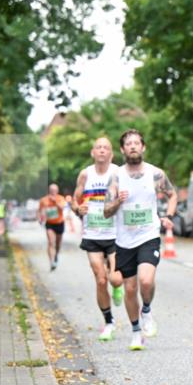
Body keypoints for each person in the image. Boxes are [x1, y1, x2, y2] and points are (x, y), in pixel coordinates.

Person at [103, 129, 177, 351]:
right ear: (123, 150)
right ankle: (136, 332)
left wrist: (168, 217)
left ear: (143, 147)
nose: (133, 146)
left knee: (146, 281)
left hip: (149, 235)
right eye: (128, 144)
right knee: (129, 288)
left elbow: (172, 194)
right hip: (125, 240)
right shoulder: (116, 177)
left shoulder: (155, 174)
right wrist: (117, 202)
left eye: (137, 143)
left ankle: (147, 309)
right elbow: (106, 211)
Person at [74, 137, 125, 342]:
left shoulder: (118, 173)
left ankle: (118, 287)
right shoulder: (85, 174)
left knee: (115, 278)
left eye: (106, 148)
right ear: (92, 152)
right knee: (100, 278)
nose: (102, 150)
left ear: (111, 154)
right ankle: (109, 321)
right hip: (93, 233)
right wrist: (78, 208)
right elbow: (76, 200)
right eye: (98, 147)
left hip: (114, 234)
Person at [38, 185, 67, 270]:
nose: (53, 191)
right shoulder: (44, 200)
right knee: (51, 242)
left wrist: (55, 202)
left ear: (57, 191)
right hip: (49, 224)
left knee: (58, 244)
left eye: (54, 190)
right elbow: (40, 210)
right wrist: (40, 218)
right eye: (51, 190)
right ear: (49, 190)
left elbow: (62, 208)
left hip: (60, 223)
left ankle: (56, 255)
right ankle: (51, 262)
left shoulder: (60, 198)